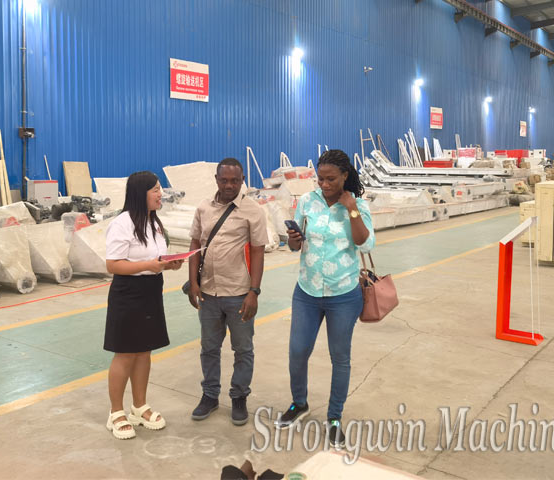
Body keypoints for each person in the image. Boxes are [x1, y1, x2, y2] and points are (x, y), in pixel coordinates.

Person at [276, 149, 375, 448]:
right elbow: (296, 246)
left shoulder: (358, 204)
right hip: (306, 290)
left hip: (343, 294)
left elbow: (365, 241)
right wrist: (294, 242)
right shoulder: (307, 202)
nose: (324, 184)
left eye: (331, 178)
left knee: (339, 357)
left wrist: (351, 208)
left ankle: (334, 417)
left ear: (345, 176)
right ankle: (299, 403)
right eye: (320, 178)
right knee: (297, 351)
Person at [187, 157, 269, 425]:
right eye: (224, 180)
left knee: (243, 348)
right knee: (209, 348)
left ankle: (239, 397)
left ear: (242, 180)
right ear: (216, 180)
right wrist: (194, 283)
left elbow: (257, 252)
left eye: (235, 180)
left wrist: (254, 291)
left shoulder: (253, 210)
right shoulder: (203, 208)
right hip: (209, 294)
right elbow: (195, 246)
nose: (230, 185)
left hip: (239, 293)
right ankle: (210, 396)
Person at [104, 171, 183, 440]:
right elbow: (113, 264)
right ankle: (116, 412)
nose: (161, 194)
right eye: (156, 190)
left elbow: (155, 256)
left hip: (151, 290)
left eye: (160, 189)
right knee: (125, 353)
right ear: (141, 194)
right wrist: (150, 265)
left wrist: (168, 263)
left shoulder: (155, 223)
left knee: (144, 351)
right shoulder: (122, 223)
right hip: (128, 292)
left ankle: (139, 406)